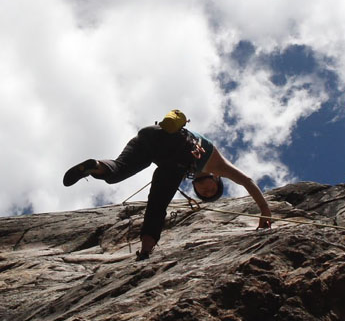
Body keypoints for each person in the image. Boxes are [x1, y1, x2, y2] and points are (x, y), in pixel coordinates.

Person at [63, 110, 272, 260]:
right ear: (216, 179)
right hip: (177, 149)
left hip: (150, 135)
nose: (206, 191)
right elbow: (247, 180)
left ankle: (94, 166)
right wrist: (264, 210)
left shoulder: (188, 171)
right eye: (211, 189)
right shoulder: (217, 164)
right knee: (158, 203)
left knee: (116, 172)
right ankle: (145, 251)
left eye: (204, 194)